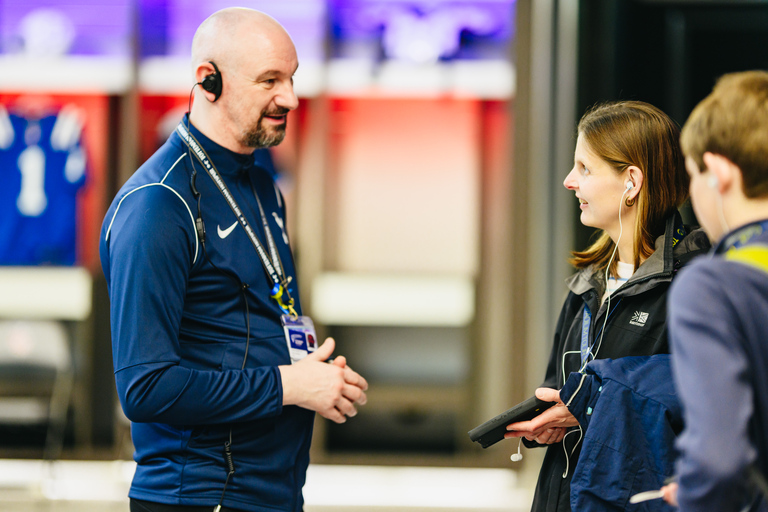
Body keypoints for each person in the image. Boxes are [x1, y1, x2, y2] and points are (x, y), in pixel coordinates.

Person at [100, 8, 368, 512]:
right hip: (199, 496)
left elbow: (242, 328)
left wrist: (312, 374)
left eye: (291, 79)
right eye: (269, 80)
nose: (289, 97)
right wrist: (289, 384)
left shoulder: (262, 184)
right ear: (209, 80)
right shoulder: (158, 205)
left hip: (274, 491)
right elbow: (145, 387)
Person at [505, 100, 710, 512]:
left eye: (584, 168)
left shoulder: (695, 286)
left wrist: (590, 405)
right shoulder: (587, 286)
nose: (568, 181)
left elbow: (699, 408)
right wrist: (553, 421)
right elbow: (563, 392)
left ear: (631, 181)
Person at [659, 71, 768, 511]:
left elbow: (719, 458)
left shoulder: (711, 287)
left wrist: (697, 494)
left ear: (718, 172)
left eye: (691, 176)